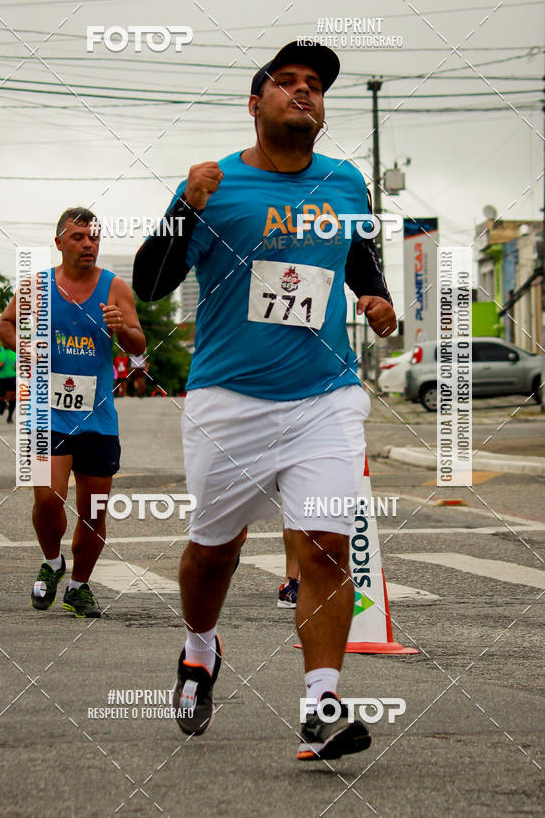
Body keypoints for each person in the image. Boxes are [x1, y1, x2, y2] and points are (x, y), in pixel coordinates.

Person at [133, 41, 397, 760]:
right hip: (229, 399)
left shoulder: (346, 184)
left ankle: (321, 701)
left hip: (324, 396)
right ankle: (199, 649)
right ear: (256, 104)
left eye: (314, 85)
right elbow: (152, 282)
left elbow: (361, 262)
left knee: (324, 548)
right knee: (215, 554)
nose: (303, 92)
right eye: (286, 83)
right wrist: (183, 210)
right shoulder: (214, 185)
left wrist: (378, 301)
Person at [0, 207, 146, 618]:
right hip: (49, 414)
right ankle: (53, 561)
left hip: (97, 418)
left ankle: (78, 586)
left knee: (94, 513)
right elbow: (4, 325)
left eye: (94, 237)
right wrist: (24, 348)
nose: (88, 244)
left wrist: (123, 328)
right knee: (48, 498)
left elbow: (138, 345)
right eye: (78, 237)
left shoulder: (116, 289)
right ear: (59, 242)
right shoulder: (37, 287)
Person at [0, 342, 17, 423]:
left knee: (13, 397)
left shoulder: (14, 352)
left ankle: (10, 416)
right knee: (0, 397)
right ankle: (1, 405)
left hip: (12, 377)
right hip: (1, 377)